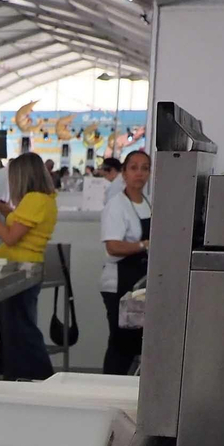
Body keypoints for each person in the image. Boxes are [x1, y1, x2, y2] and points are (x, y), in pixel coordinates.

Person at [0, 152, 57, 380]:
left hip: (22, 268)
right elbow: (21, 223)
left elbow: (11, 237)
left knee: (21, 329)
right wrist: (2, 209)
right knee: (17, 326)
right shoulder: (44, 199)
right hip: (25, 267)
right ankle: (18, 377)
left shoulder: (34, 199)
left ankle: (41, 377)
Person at [99, 148, 151, 374]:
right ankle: (107, 392)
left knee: (135, 343)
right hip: (118, 283)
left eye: (145, 168)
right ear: (124, 173)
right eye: (133, 168)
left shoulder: (147, 203)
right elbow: (112, 246)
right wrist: (143, 245)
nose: (139, 173)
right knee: (121, 344)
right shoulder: (116, 206)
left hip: (138, 282)